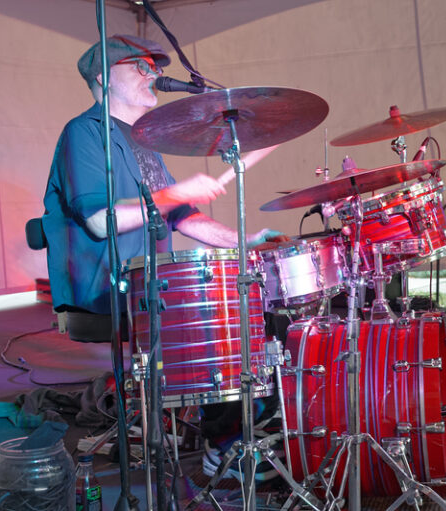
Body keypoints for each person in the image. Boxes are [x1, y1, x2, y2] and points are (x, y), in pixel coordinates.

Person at [41, 34, 287, 482]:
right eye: (139, 66)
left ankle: (249, 432)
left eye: (154, 65)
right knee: (222, 317)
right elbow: (101, 222)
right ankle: (225, 446)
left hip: (151, 286)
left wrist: (246, 241)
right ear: (103, 79)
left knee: (263, 310)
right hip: (105, 291)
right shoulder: (85, 133)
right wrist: (178, 190)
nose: (153, 73)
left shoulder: (145, 140)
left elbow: (179, 215)